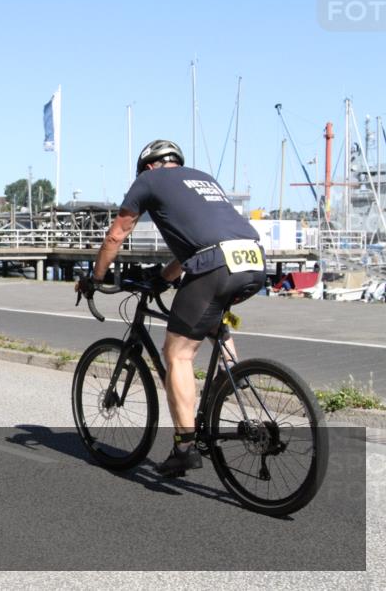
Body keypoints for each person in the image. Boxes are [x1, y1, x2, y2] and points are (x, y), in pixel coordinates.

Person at [78, 139, 267, 477]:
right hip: (253, 260)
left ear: (149, 166)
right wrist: (164, 278)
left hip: (216, 266)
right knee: (211, 319)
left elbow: (116, 234)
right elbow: (196, 245)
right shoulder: (203, 178)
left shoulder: (149, 180)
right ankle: (230, 380)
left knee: (177, 353)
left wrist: (95, 278)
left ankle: (184, 447)